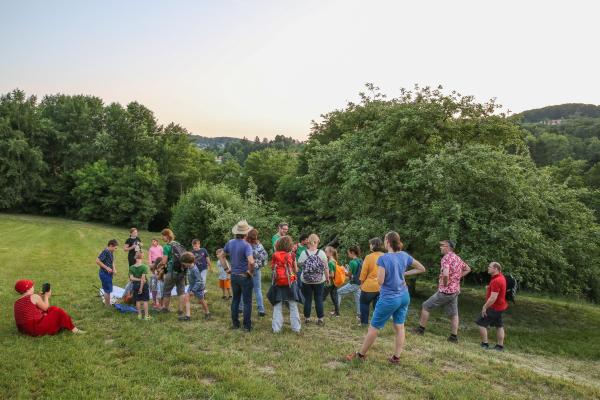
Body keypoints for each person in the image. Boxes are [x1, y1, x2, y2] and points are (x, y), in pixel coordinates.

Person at [346, 231, 426, 364]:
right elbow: (421, 268)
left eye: (384, 239)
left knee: (374, 327)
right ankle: (396, 357)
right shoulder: (404, 255)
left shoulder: (383, 259)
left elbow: (381, 281)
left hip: (389, 298)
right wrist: (403, 274)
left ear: (388, 241)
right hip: (404, 296)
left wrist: (382, 277)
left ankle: (360, 355)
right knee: (400, 327)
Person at [415, 240, 471, 342]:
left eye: (442, 246)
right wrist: (456, 277)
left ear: (448, 247)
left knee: (426, 306)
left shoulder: (446, 258)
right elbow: (468, 269)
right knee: (454, 314)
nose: (440, 247)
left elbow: (445, 274)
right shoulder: (457, 258)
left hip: (445, 291)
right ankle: (453, 337)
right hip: (455, 291)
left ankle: (420, 330)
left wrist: (445, 284)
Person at [217, 220, 256, 332]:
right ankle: (247, 326)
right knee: (247, 302)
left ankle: (235, 324)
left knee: (235, 300)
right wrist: (250, 272)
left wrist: (226, 269)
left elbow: (221, 256)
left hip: (234, 276)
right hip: (244, 276)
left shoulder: (230, 243)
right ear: (246, 233)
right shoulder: (247, 245)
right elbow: (251, 262)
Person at [13, 280, 84, 336]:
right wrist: (46, 296)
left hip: (23, 330)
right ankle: (75, 330)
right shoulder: (34, 296)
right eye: (32, 286)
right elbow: (46, 308)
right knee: (57, 311)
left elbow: (34, 308)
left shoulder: (17, 302)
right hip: (35, 328)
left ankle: (63, 324)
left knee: (50, 310)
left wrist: (40, 297)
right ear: (28, 289)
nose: (33, 288)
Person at [270, 235, 302, 333]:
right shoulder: (291, 255)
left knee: (277, 305)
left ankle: (276, 328)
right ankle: (296, 328)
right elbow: (295, 269)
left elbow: (272, 268)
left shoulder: (275, 255)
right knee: (293, 305)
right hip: (290, 282)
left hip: (278, 282)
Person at [298, 234, 329, 325]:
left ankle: (307, 318)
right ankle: (320, 319)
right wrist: (327, 278)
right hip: (319, 280)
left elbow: (299, 264)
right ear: (317, 242)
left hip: (306, 280)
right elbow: (326, 267)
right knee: (318, 298)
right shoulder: (322, 253)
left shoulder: (304, 253)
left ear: (308, 242)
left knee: (308, 299)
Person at [476, 262, 508, 351]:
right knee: (499, 326)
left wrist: (485, 307)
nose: (488, 268)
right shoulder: (501, 277)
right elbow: (497, 290)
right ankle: (500, 346)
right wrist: (489, 288)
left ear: (496, 269)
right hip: (501, 306)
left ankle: (485, 344)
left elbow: (493, 298)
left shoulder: (496, 280)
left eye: (490, 267)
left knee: (481, 324)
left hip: (494, 307)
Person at [240, 229, 268, 317]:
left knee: (243, 289)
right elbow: (265, 257)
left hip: (245, 269)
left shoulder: (244, 245)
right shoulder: (259, 245)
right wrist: (260, 265)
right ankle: (261, 310)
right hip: (256, 269)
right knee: (258, 289)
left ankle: (240, 308)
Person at [159, 229, 186, 314]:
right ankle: (181, 310)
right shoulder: (178, 244)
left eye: (163, 236)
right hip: (182, 270)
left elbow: (164, 261)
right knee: (181, 291)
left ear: (167, 236)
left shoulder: (167, 246)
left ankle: (165, 309)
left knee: (166, 291)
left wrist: (158, 265)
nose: (162, 238)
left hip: (171, 271)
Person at [358, 238, 384, 326]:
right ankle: (377, 324)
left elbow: (363, 272)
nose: (369, 246)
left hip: (369, 286)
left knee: (364, 303)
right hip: (381, 287)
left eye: (370, 244)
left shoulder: (369, 257)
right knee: (378, 307)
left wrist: (361, 283)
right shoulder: (385, 256)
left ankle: (364, 323)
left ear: (373, 245)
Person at [180, 252, 211, 321]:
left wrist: (193, 290)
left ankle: (207, 313)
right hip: (191, 286)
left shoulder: (195, 270)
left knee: (201, 300)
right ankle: (188, 316)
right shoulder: (189, 267)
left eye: (184, 263)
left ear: (188, 262)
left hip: (198, 288)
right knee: (186, 298)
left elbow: (199, 281)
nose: (183, 264)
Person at [337, 245, 362, 319]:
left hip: (353, 283)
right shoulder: (360, 260)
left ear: (352, 252)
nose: (348, 254)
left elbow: (349, 274)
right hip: (359, 283)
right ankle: (359, 314)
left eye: (348, 253)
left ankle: (336, 310)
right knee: (358, 298)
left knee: (338, 292)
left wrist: (343, 269)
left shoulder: (352, 262)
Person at [129, 251, 151, 320]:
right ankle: (146, 316)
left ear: (135, 258)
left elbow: (131, 278)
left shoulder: (131, 267)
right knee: (145, 301)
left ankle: (139, 315)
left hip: (135, 285)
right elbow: (143, 279)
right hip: (143, 286)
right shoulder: (144, 267)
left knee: (137, 300)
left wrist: (138, 280)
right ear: (142, 257)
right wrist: (141, 288)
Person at [96, 239, 118, 306]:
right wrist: (106, 268)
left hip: (108, 274)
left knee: (108, 289)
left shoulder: (110, 251)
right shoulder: (105, 251)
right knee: (107, 290)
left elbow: (112, 261)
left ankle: (107, 303)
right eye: (115, 248)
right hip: (104, 274)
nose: (115, 249)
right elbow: (97, 261)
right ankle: (107, 305)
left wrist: (114, 268)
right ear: (111, 246)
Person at [323, 246, 341, 317]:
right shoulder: (334, 260)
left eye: (326, 252)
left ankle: (320, 314)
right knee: (334, 297)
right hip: (334, 283)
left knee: (321, 298)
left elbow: (332, 275)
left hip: (329, 283)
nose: (325, 253)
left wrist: (324, 275)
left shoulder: (330, 262)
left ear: (330, 253)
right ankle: (337, 313)